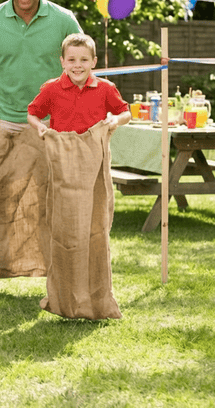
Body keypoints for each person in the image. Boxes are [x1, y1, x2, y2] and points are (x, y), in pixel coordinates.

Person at [0, 0, 82, 281]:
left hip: (49, 125)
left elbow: (80, 66)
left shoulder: (63, 20)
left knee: (48, 199)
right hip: (5, 120)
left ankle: (51, 266)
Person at [27, 33, 131, 319]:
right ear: (62, 61)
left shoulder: (105, 88)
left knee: (95, 225)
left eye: (84, 59)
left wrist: (114, 120)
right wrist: (40, 128)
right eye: (71, 59)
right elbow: (33, 112)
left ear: (93, 62)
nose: (77, 65)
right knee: (65, 227)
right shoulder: (51, 88)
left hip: (93, 166)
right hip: (63, 165)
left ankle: (96, 297)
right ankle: (64, 297)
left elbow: (125, 112)